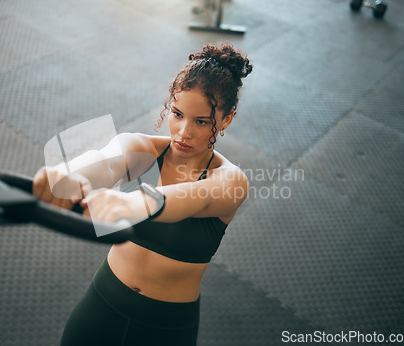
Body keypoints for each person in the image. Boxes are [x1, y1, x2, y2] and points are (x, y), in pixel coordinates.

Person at [33, 42, 252, 346]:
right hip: (101, 306)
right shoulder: (139, 149)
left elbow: (193, 197)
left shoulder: (231, 180)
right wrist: (65, 177)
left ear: (226, 119)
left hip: (166, 328)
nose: (183, 132)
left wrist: (133, 202)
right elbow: (102, 162)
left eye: (201, 121)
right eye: (176, 114)